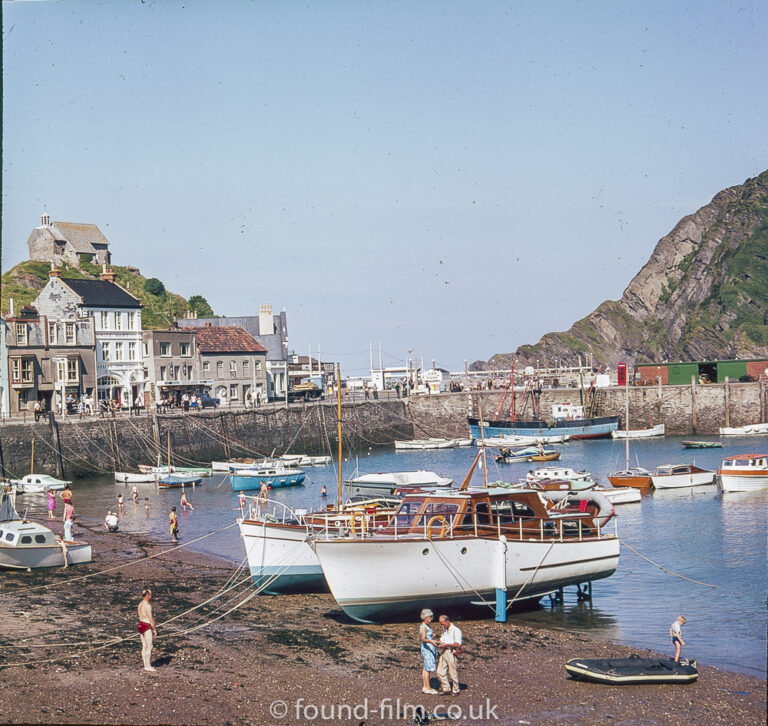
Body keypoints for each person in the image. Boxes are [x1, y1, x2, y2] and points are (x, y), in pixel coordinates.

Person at [436, 614, 462, 696]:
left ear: (447, 621)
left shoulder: (456, 630)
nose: (441, 625)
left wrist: (446, 645)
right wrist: (437, 643)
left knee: (452, 672)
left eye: (442, 623)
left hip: (451, 652)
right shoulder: (444, 629)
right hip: (444, 652)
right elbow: (442, 640)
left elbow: (458, 644)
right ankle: (446, 688)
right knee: (440, 671)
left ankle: (456, 690)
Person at [419, 609, 440, 695]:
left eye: (431, 617)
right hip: (427, 649)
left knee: (425, 668)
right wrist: (431, 641)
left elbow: (427, 636)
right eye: (429, 617)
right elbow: (423, 639)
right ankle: (428, 687)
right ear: (425, 617)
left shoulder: (426, 626)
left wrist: (432, 636)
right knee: (428, 669)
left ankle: (425, 687)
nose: (431, 619)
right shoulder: (424, 626)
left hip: (427, 648)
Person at [137, 588, 157, 672]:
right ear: (147, 595)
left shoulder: (140, 604)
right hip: (146, 625)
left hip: (140, 625)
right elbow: (151, 618)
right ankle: (148, 666)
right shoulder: (147, 605)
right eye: (150, 595)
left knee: (144, 646)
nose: (151, 596)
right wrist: (154, 629)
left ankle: (146, 665)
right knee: (149, 646)